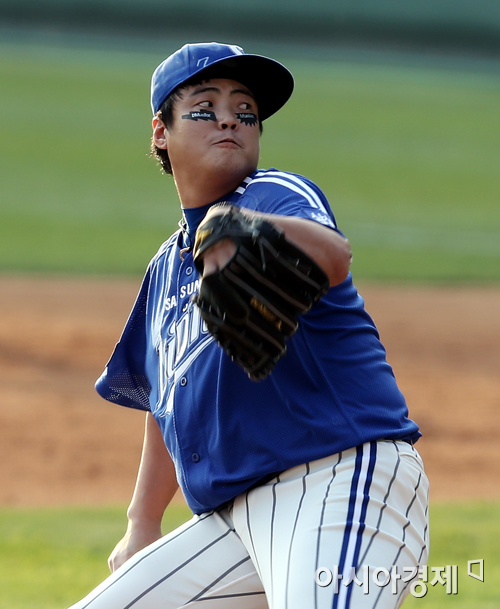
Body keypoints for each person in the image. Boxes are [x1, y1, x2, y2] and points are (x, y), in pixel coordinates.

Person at [69, 42, 429, 609]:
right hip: (231, 524)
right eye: (205, 107)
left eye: (245, 110)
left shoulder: (275, 194)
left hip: (340, 480)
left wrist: (241, 226)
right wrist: (142, 521)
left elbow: (333, 255)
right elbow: (166, 398)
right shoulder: (165, 269)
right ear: (161, 132)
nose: (230, 119)